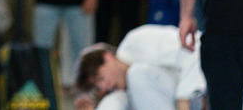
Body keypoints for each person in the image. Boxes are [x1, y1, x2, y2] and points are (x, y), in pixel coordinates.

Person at [75, 25, 206, 110]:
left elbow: (195, 50)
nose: (103, 87)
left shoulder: (136, 41)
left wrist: (183, 99)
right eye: (98, 87)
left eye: (101, 78)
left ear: (108, 57)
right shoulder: (119, 92)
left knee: (137, 75)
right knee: (113, 101)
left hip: (202, 88)